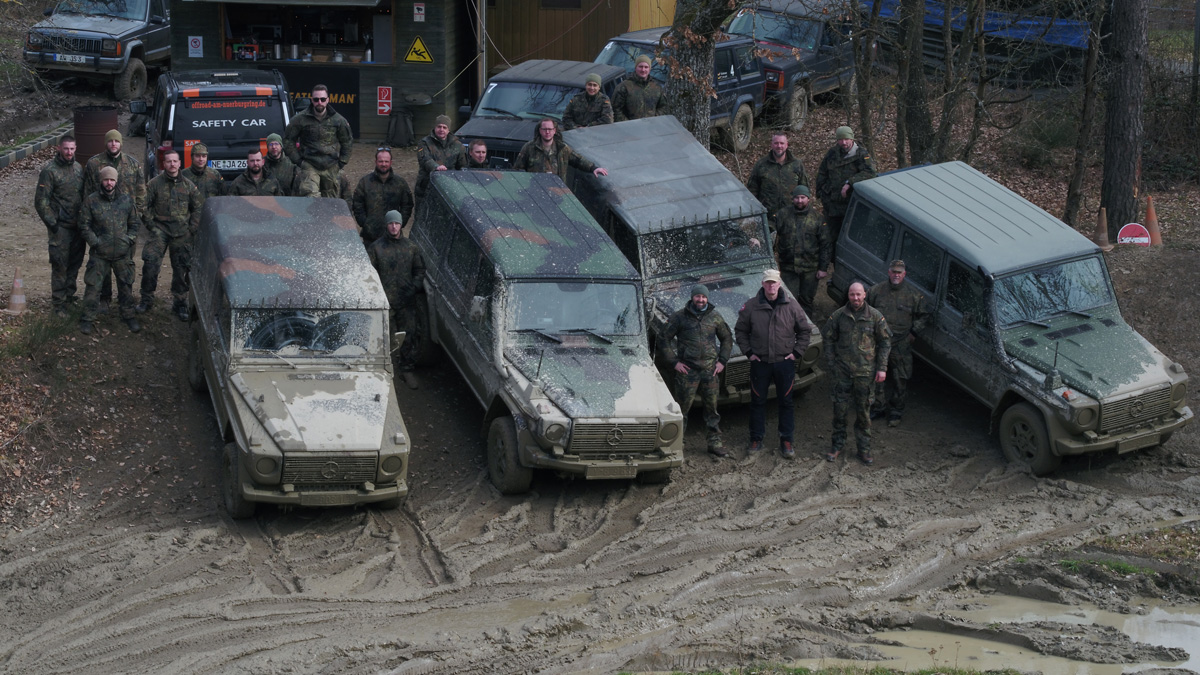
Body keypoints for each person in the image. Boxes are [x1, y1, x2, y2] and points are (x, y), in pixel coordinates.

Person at [734, 269, 812, 459]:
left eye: (774, 282)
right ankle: (756, 438)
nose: (771, 286)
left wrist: (796, 353)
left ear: (779, 284)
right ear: (762, 284)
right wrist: (749, 352)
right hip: (760, 363)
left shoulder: (792, 305)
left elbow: (804, 331)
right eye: (768, 282)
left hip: (784, 363)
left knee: (786, 402)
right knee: (757, 401)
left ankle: (786, 440)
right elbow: (740, 331)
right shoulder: (751, 306)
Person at [659, 284, 733, 458]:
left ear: (707, 298)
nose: (701, 300)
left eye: (703, 297)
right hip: (687, 371)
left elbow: (727, 338)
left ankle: (714, 443)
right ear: (692, 297)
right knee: (681, 410)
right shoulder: (679, 317)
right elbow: (663, 338)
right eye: (698, 296)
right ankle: (677, 443)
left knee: (712, 409)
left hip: (710, 371)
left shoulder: (715, 317)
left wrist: (722, 361)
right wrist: (674, 362)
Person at [823, 281, 891, 465]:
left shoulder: (875, 317)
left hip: (865, 374)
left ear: (865, 295)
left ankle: (864, 449)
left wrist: (882, 368)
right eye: (852, 294)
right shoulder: (838, 316)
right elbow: (828, 338)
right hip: (842, 373)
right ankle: (837, 446)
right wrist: (832, 363)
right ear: (848, 295)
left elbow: (885, 342)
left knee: (863, 413)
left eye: (858, 294)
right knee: (840, 411)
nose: (855, 298)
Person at [82, 129, 145, 314]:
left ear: (121, 143)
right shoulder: (94, 164)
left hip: (125, 226)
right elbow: (87, 192)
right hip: (101, 224)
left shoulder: (133, 164)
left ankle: (126, 302)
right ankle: (104, 299)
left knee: (125, 265)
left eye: (116, 141)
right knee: (101, 265)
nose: (113, 144)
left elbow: (141, 193)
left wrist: (135, 218)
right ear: (106, 143)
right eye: (110, 141)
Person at [138, 149, 202, 321]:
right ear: (164, 164)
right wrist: (151, 225)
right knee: (150, 263)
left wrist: (191, 229)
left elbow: (197, 208)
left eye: (175, 161)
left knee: (181, 269)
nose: (172, 164)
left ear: (180, 163)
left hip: (182, 232)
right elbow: (143, 205)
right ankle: (146, 299)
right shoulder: (154, 184)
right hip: (160, 230)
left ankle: (180, 302)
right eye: (168, 161)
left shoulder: (189, 186)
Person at [368, 210, 426, 390]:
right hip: (384, 302)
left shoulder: (411, 248)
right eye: (391, 223)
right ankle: (383, 370)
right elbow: (368, 274)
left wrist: (415, 286)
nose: (394, 227)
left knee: (409, 335)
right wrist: (376, 294)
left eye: (397, 223)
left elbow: (419, 270)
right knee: (383, 337)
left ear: (401, 225)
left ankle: (406, 369)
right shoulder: (376, 248)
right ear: (386, 225)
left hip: (406, 301)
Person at [78, 166, 140, 335]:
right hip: (100, 253)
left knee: (126, 286)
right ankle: (87, 318)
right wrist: (95, 242)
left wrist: (129, 240)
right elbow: (84, 225)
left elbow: (134, 223)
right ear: (101, 181)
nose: (109, 183)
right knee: (93, 287)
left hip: (122, 253)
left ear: (116, 181)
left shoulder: (126, 200)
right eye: (106, 179)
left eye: (112, 180)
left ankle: (129, 315)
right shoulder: (91, 201)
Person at [867, 260, 930, 427]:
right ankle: (878, 406)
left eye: (899, 272)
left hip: (901, 343)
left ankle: (896, 410)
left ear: (904, 274)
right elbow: (866, 312)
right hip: (880, 341)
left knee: (900, 377)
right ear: (889, 272)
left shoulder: (913, 295)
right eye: (894, 271)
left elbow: (924, 315)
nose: (896, 275)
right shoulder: (876, 291)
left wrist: (913, 332)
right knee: (877, 375)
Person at [34, 134, 85, 317]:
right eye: (66, 149)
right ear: (59, 148)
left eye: (72, 149)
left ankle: (69, 296)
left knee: (74, 264)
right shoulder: (50, 171)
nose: (69, 152)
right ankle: (58, 304)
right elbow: (41, 202)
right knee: (59, 266)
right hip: (60, 228)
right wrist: (53, 224)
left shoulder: (78, 168)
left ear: (75, 149)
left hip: (77, 227)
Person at [283, 84, 353, 198]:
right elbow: (288, 140)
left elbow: (347, 142)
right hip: (309, 164)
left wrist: (341, 163)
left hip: (331, 165)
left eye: (322, 99)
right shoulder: (300, 119)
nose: (319, 102)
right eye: (316, 99)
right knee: (310, 196)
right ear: (312, 100)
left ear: (327, 100)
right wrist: (298, 161)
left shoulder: (338, 120)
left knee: (330, 200)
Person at [815, 126, 876, 254]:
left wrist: (850, 183)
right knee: (829, 238)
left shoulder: (861, 154)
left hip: (851, 206)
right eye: (841, 140)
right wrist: (821, 193)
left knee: (850, 239)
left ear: (852, 139)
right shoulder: (832, 153)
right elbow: (822, 172)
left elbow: (870, 172)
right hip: (832, 205)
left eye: (846, 139)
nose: (844, 143)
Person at [774, 185, 830, 320]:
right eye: (797, 198)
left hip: (810, 268)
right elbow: (771, 230)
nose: (800, 201)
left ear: (808, 199)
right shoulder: (783, 215)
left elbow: (826, 244)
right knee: (787, 299)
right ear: (792, 199)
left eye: (803, 197)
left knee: (806, 300)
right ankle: (787, 325)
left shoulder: (817, 218)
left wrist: (823, 268)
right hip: (788, 267)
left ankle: (806, 325)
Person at [353, 147, 414, 246]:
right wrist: (365, 223)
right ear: (376, 162)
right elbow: (357, 204)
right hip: (370, 237)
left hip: (393, 236)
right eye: (380, 161)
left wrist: (399, 223)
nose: (383, 164)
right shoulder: (365, 182)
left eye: (386, 161)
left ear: (391, 162)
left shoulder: (400, 183)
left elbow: (407, 205)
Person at [514, 118, 609, 181]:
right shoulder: (529, 147)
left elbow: (578, 160)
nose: (547, 132)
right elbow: (518, 170)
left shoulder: (562, 148)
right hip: (535, 190)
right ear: (540, 131)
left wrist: (594, 168)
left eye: (550, 129)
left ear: (554, 131)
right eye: (544, 129)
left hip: (558, 191)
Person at [747, 132, 809, 221]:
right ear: (772, 145)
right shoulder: (761, 165)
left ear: (787, 145)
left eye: (782, 143)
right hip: (768, 216)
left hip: (792, 216)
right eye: (776, 143)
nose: (779, 146)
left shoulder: (797, 164)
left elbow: (804, 189)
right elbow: (752, 190)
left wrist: (803, 211)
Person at [415, 114, 467, 201]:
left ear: (448, 130)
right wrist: (436, 167)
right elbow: (425, 159)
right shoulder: (424, 143)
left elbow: (462, 166)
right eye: (439, 126)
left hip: (450, 186)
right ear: (435, 127)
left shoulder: (458, 146)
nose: (441, 130)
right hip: (427, 185)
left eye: (444, 127)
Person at [612, 55, 666, 122]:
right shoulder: (624, 87)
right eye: (640, 66)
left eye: (646, 67)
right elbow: (616, 109)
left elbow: (663, 106)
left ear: (649, 69)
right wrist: (628, 123)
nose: (643, 70)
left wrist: (654, 119)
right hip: (629, 126)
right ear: (635, 68)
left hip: (652, 126)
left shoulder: (656, 87)